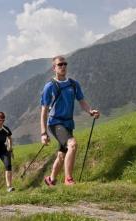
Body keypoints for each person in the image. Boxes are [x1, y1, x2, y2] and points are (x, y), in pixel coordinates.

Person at [40, 55, 100, 186]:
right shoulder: (49, 86)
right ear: (54, 68)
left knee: (62, 154)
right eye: (60, 65)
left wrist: (90, 111)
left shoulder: (73, 84)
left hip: (68, 123)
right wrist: (43, 133)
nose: (63, 66)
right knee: (72, 144)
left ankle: (51, 180)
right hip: (55, 123)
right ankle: (68, 179)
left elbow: (82, 101)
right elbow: (44, 111)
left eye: (65, 64)